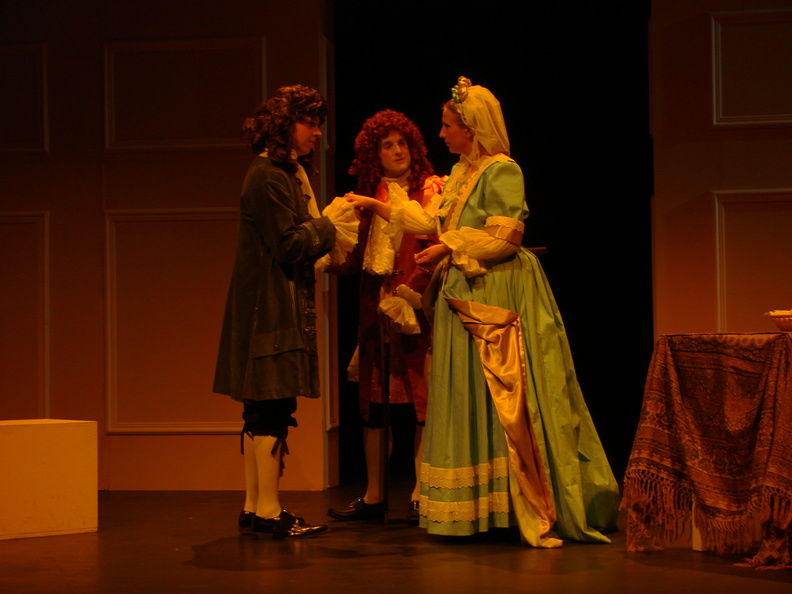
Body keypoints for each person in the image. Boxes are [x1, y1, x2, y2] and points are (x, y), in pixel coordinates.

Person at [347, 78, 620, 547]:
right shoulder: (461, 173)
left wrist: (448, 247)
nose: (441, 133)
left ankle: (519, 502)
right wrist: (378, 204)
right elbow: (430, 220)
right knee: (466, 392)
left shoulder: (501, 171)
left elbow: (504, 238)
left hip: (494, 290)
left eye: (448, 125)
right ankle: (477, 508)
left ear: (472, 127)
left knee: (502, 393)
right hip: (461, 288)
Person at [213, 84, 336, 540]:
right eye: (310, 123)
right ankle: (267, 511)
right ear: (285, 125)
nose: (317, 133)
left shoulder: (279, 173)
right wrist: (330, 226)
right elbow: (289, 245)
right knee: (271, 406)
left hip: (266, 307)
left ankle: (254, 507)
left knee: (263, 409)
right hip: (268, 310)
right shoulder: (268, 176)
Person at [324, 110, 445, 524]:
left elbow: (433, 246)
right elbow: (353, 256)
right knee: (375, 406)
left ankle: (420, 491)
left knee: (423, 405)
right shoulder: (367, 197)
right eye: (387, 145)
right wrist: (323, 254)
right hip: (376, 313)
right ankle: (374, 495)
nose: (397, 151)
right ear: (373, 155)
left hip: (417, 310)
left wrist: (411, 295)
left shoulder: (431, 191)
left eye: (402, 143)